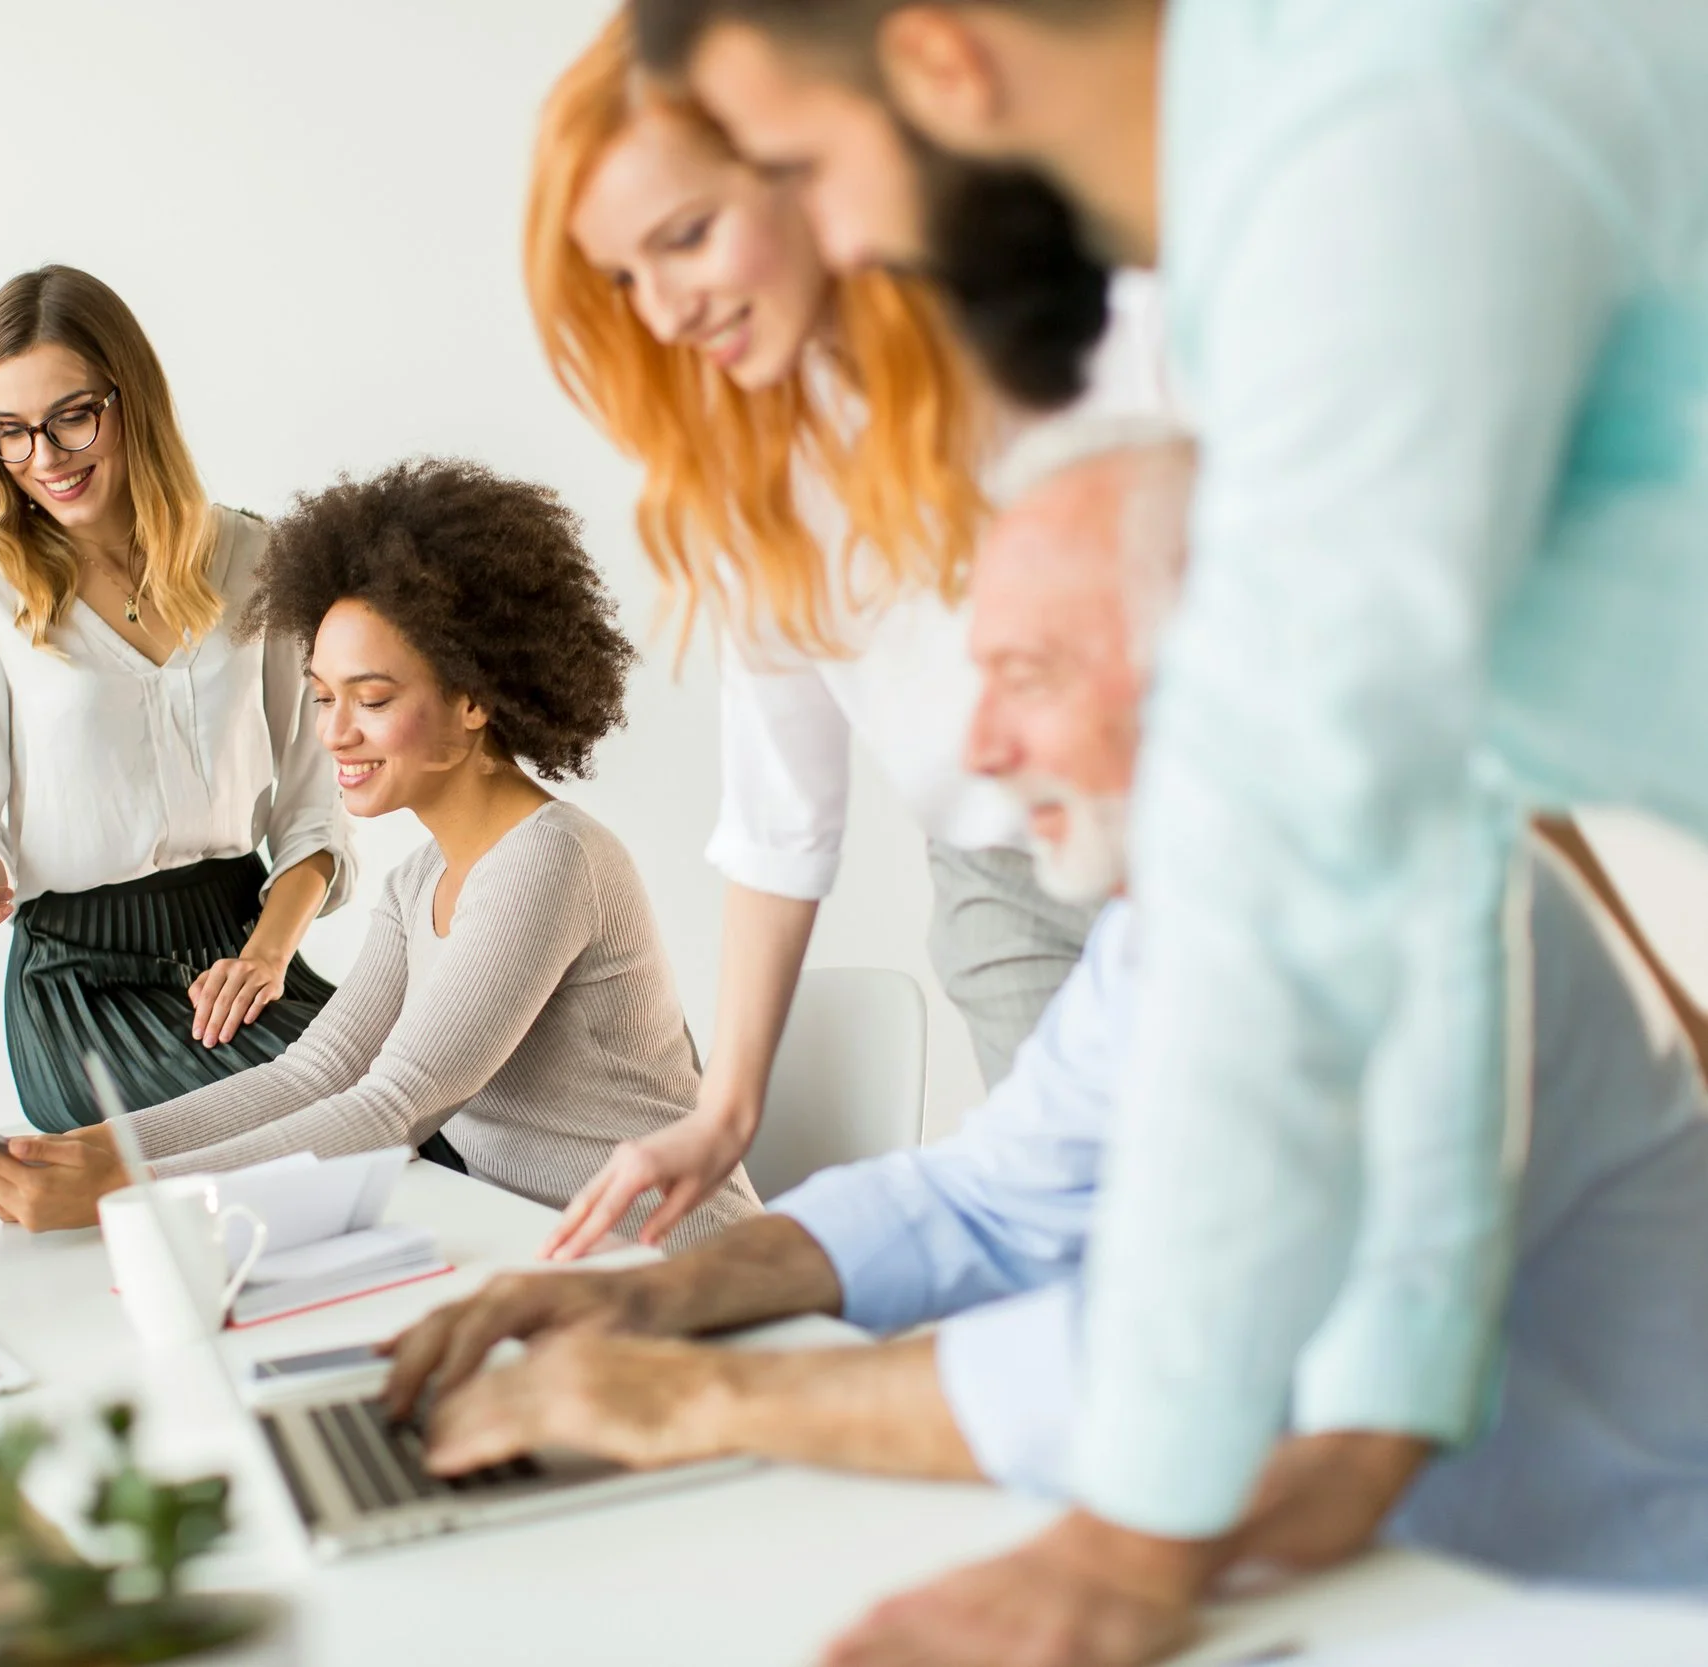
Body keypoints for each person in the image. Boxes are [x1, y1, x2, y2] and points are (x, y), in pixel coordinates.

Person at [628, 3, 1708, 1658]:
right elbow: (1407, 832)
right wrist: (1374, 1420)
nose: (835, 240)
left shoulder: (1381, 161)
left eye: (797, 166)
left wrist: (1137, 1537)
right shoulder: (1279, 219)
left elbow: (1305, 865)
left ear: (940, 63)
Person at [382, 429, 1708, 1617]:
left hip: (1595, 1598)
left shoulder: (1393, 911)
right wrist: (650, 1296)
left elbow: (1191, 1360)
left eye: (1026, 674)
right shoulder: (1179, 925)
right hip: (1398, 1571)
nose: (988, 748)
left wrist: (699, 1397)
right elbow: (979, 1201)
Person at [525, 13, 1174, 1258]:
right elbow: (782, 807)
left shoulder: (1062, 319)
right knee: (1100, 1261)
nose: (660, 313)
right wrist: (725, 1108)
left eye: (686, 237)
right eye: (621, 278)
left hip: (1212, 837)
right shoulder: (744, 463)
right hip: (1010, 887)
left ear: (793, 159)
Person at [0, 459, 763, 1247]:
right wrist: (92, 1149)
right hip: (548, 1260)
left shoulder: (551, 860)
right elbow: (313, 1073)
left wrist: (126, 1189)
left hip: (674, 1266)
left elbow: (390, 1107)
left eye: (372, 698)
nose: (333, 732)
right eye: (324, 696)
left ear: (474, 695)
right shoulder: (419, 882)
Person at [0, 265, 356, 1134]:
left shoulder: (258, 558)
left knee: (456, 1101)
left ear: (133, 398)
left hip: (245, 951)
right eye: (10, 431)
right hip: (81, 984)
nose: (45, 459)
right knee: (343, 1120)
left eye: (72, 416)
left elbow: (315, 817)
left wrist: (268, 954)